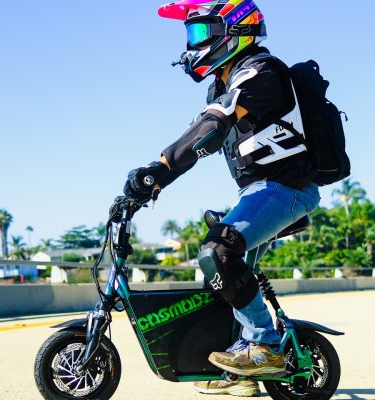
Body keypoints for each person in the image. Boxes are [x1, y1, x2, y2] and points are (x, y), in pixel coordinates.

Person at [123, 0, 321, 396]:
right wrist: (155, 180)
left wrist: (158, 171)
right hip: (260, 190)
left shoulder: (260, 73)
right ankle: (244, 370)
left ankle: (265, 345)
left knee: (218, 251)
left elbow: (211, 129)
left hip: (286, 188)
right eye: (191, 34)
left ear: (235, 28)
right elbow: (200, 133)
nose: (194, 43)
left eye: (201, 32)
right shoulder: (228, 82)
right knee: (222, 276)